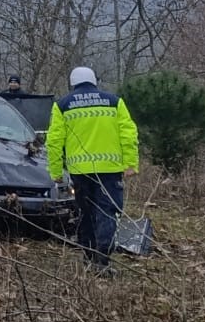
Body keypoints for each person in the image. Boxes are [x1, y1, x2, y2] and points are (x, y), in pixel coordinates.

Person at [47, 65, 139, 274]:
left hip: (80, 171)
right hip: (110, 169)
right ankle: (103, 259)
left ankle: (88, 257)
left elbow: (54, 141)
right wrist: (130, 164)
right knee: (107, 211)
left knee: (85, 213)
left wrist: (55, 171)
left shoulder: (62, 105)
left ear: (73, 83)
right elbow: (129, 134)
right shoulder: (115, 102)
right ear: (94, 81)